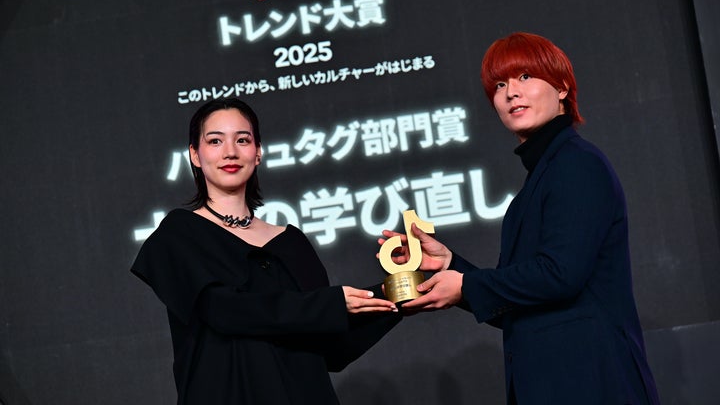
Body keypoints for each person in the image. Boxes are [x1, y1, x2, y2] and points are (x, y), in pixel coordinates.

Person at [380, 32, 660, 404]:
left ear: (562, 87)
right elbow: (518, 303)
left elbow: (560, 275)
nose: (512, 92)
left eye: (525, 77)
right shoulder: (540, 180)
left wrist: (465, 285)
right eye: (500, 85)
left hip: (592, 383)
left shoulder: (577, 164)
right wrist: (450, 264)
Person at [132, 97, 401, 404]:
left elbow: (332, 348)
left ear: (258, 152)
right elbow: (224, 311)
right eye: (215, 141)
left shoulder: (291, 242)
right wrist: (330, 305)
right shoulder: (179, 234)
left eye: (242, 140)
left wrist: (401, 292)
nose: (230, 152)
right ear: (195, 154)